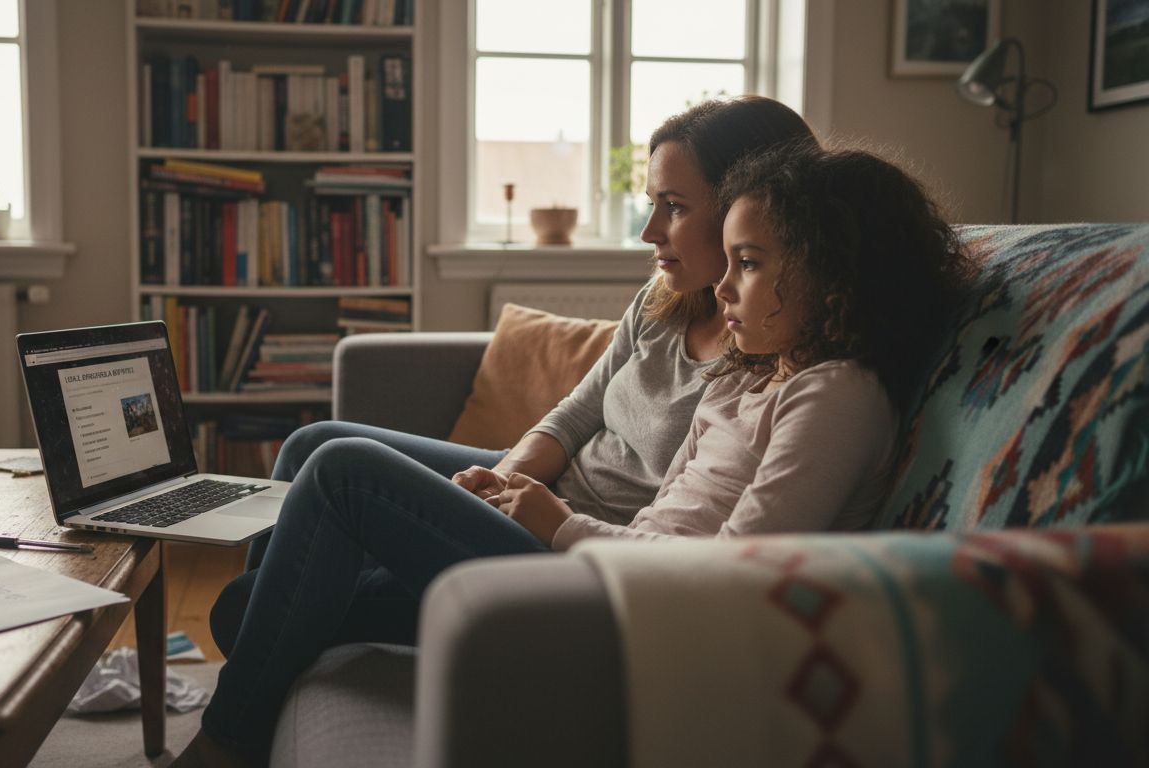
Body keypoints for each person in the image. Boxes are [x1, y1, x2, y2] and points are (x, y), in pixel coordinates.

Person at [172, 140, 973, 766]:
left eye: (750, 264)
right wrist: (540, 503)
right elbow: (661, 504)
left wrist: (559, 526)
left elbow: (735, 576)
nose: (724, 287)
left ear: (835, 278)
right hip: (610, 575)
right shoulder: (752, 375)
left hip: (641, 619)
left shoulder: (837, 397)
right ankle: (262, 675)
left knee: (342, 478)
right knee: (269, 584)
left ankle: (228, 740)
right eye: (728, 261)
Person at [209, 96, 818, 649]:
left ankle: (257, 671)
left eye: (675, 207)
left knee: (341, 475)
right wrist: (498, 480)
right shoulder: (664, 299)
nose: (649, 230)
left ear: (746, 207)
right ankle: (276, 635)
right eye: (652, 202)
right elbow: (578, 412)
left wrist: (525, 512)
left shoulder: (768, 359)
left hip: (572, 541)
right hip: (540, 494)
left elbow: (683, 527)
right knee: (314, 441)